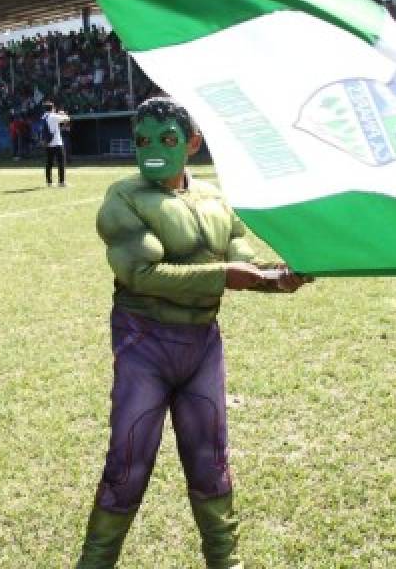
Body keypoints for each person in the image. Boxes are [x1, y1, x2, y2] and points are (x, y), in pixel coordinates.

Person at [76, 98, 310, 569]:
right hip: (145, 344)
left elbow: (249, 258)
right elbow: (142, 273)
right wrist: (228, 274)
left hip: (202, 345)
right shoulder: (124, 197)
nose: (153, 150)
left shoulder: (215, 200)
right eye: (143, 140)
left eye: (166, 139)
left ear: (192, 144)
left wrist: (288, 271)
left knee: (211, 463)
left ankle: (227, 562)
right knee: (128, 464)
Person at [41, 100, 70, 187]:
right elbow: (67, 119)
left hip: (48, 143)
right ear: (52, 108)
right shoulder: (53, 116)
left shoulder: (43, 117)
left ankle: (49, 182)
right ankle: (61, 182)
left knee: (49, 163)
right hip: (57, 143)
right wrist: (63, 113)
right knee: (61, 162)